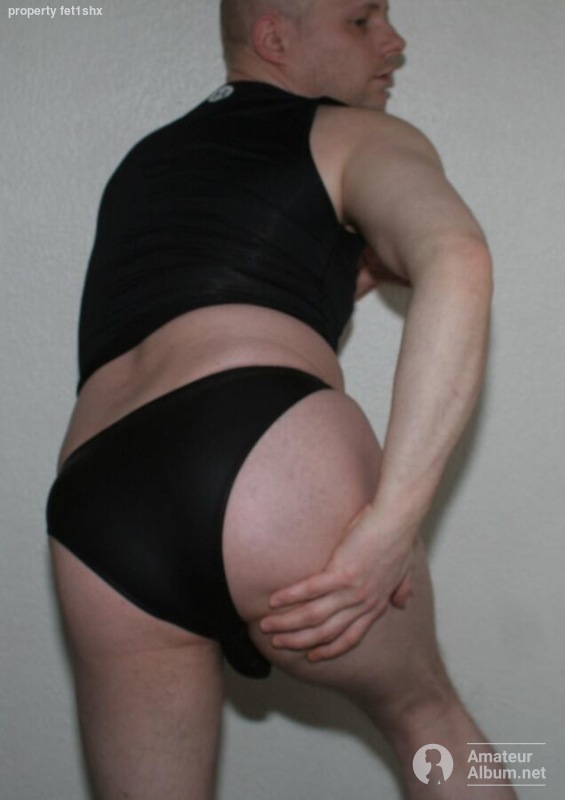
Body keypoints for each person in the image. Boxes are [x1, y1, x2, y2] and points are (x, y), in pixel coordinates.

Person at [46, 1, 516, 798]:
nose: (392, 41)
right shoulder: (356, 134)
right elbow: (457, 257)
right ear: (273, 37)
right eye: (360, 19)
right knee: (426, 719)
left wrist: (337, 273)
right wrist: (390, 526)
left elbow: (222, 270)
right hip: (262, 448)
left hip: (99, 504)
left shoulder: (144, 165)